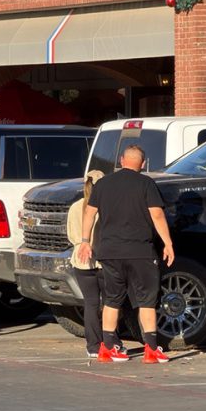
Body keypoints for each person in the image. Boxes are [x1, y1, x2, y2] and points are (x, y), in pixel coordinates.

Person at [78, 145, 174, 364]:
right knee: (146, 301)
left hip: (109, 252)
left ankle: (108, 348)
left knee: (112, 299)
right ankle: (151, 349)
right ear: (143, 164)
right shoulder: (146, 183)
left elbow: (89, 213)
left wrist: (85, 242)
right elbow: (157, 215)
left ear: (121, 160)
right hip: (140, 251)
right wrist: (168, 243)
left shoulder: (102, 184)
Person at [66, 169, 108, 358]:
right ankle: (110, 341)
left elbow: (69, 233)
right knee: (110, 303)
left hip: (81, 259)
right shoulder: (106, 206)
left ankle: (93, 345)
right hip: (103, 260)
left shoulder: (76, 207)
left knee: (90, 303)